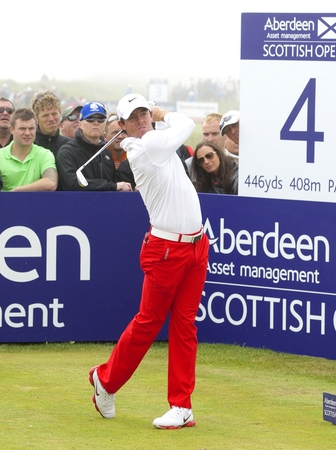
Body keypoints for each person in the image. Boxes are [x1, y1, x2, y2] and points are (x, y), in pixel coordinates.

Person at [89, 93, 208, 429]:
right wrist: (162, 112)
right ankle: (105, 380)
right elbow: (186, 123)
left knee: (185, 325)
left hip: (198, 245)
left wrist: (158, 116)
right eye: (134, 117)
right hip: (166, 250)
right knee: (148, 323)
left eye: (145, 113)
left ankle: (181, 406)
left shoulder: (157, 142)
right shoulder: (143, 148)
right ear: (123, 126)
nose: (142, 119)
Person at [57, 102, 132, 191]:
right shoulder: (67, 152)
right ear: (80, 124)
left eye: (101, 119)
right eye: (90, 119)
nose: (96, 122)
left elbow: (112, 182)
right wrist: (113, 186)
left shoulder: (106, 152)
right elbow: (72, 183)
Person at [0, 108, 57, 192]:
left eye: (31, 128)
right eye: (22, 129)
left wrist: (17, 191)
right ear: (11, 129)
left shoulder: (44, 154)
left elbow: (51, 183)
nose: (27, 133)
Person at [31, 90, 71, 157]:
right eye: (45, 115)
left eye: (54, 114)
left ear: (60, 113)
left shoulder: (69, 146)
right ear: (36, 118)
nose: (51, 119)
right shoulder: (28, 145)